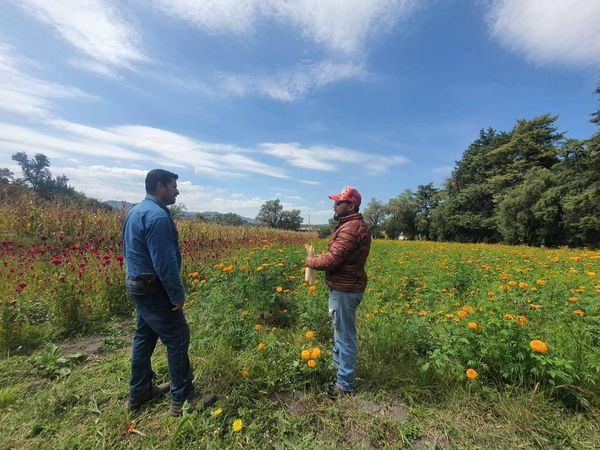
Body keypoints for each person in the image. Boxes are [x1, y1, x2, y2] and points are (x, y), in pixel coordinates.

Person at [122, 169, 216, 416]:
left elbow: (130, 254)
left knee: (144, 336)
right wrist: (177, 296)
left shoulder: (135, 211)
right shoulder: (158, 217)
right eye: (173, 185)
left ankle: (139, 392)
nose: (177, 190)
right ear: (159, 186)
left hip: (138, 285)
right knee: (177, 337)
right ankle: (183, 399)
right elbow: (165, 264)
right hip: (155, 289)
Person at [305, 186, 371, 399]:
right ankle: (340, 371)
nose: (334, 205)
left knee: (344, 337)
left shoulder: (351, 228)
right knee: (340, 333)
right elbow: (338, 255)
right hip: (344, 287)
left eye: (338, 202)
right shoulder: (349, 226)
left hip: (345, 290)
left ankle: (345, 385)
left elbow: (332, 260)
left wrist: (311, 261)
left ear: (350, 205)